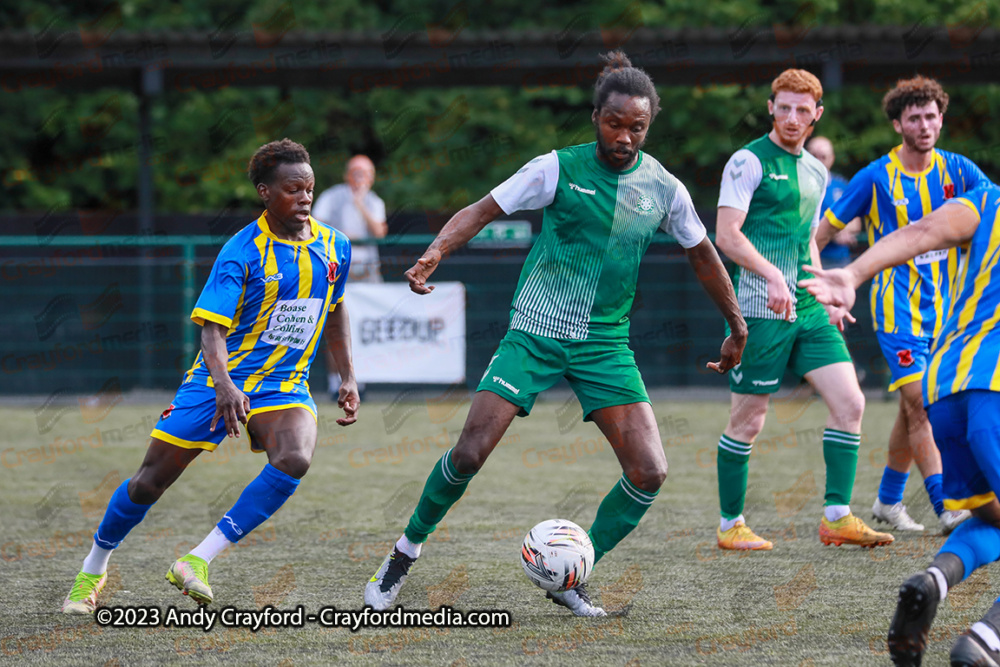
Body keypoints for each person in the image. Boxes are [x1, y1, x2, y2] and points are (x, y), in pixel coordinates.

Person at [364, 50, 747, 617]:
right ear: (596, 117)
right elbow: (482, 209)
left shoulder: (664, 187)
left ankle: (572, 575)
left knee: (650, 471)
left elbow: (703, 256)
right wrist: (435, 250)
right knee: (469, 452)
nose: (625, 136)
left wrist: (737, 324)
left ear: (648, 126)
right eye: (615, 123)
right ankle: (402, 555)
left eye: (637, 127)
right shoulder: (556, 168)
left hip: (605, 344)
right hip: (536, 332)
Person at [61, 139, 359, 614]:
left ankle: (195, 561)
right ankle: (92, 569)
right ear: (265, 192)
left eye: (309, 188)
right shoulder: (241, 251)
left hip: (284, 384)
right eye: (292, 189)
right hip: (217, 381)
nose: (304, 198)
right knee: (148, 483)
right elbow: (211, 332)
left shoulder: (334, 247)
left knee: (295, 458)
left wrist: (346, 375)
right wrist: (224, 385)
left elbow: (336, 310)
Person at [801, 183, 1000, 667]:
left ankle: (933, 580)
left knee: (992, 517)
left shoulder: (991, 197)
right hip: (994, 387)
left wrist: (852, 272)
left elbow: (924, 229)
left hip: (948, 382)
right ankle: (987, 638)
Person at [712, 68, 893, 551]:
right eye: (784, 107)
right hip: (758, 306)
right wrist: (771, 275)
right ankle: (731, 524)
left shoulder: (816, 171)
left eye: (802, 109)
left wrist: (828, 293)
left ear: (817, 113)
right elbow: (726, 235)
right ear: (771, 107)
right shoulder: (746, 161)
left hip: (808, 308)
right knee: (749, 421)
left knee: (851, 402)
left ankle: (837, 517)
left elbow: (807, 244)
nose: (792, 117)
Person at [814, 76, 989, 536]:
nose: (925, 124)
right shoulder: (875, 177)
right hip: (898, 313)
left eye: (932, 116)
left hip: (952, 315)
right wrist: (819, 285)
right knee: (923, 406)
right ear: (897, 124)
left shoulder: (963, 172)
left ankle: (889, 500)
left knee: (912, 410)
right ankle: (948, 506)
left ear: (941, 119)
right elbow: (821, 234)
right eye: (914, 117)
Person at [312, 155, 387, 400]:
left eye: (364, 173)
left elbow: (379, 231)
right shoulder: (332, 196)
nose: (358, 178)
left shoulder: (375, 201)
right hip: (337, 272)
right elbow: (315, 226)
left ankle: (360, 383)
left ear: (372, 177)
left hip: (367, 274)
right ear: (346, 174)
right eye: (355, 172)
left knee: (365, 329)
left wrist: (359, 203)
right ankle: (337, 383)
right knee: (335, 328)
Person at [804, 135, 862, 268]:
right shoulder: (796, 185)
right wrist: (830, 231)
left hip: (838, 260)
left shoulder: (841, 186)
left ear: (832, 159)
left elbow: (855, 222)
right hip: (805, 259)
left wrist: (837, 231)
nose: (818, 160)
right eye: (813, 155)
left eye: (823, 156)